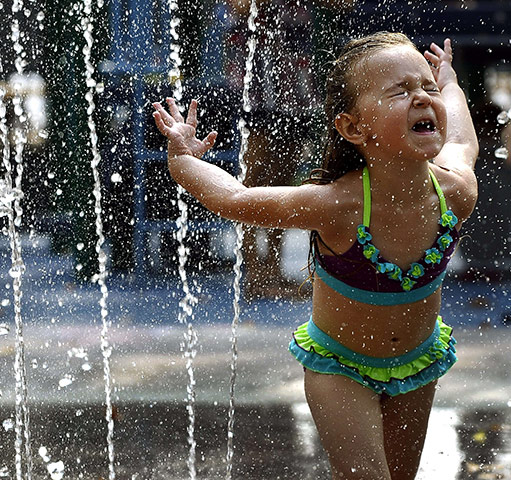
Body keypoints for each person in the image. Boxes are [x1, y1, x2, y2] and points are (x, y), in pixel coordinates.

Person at [153, 32, 478, 479]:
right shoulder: (337, 205)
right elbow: (236, 200)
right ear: (353, 128)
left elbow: (463, 140)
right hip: (340, 370)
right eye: (401, 91)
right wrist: (184, 161)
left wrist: (453, 84)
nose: (422, 98)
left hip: (419, 363)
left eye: (427, 88)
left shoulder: (456, 191)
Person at [223, 0, 355, 300]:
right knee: (253, 178)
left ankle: (274, 268)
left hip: (293, 74)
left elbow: (342, 6)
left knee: (284, 178)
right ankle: (253, 272)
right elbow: (241, 7)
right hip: (255, 73)